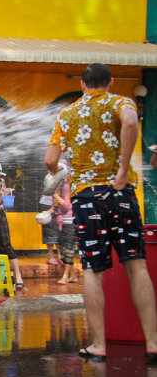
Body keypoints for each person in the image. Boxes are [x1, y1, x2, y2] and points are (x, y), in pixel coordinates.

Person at [45, 63, 157, 361]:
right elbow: (131, 123)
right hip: (121, 193)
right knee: (137, 265)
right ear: (110, 82)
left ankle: (99, 345)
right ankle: (153, 343)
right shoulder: (120, 102)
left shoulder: (67, 114)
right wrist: (122, 170)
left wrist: (57, 172)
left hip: (86, 198)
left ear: (82, 84)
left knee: (94, 271)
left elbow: (50, 159)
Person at [55, 161, 78, 284]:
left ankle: (65, 276)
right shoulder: (62, 185)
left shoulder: (69, 185)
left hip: (70, 219)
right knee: (63, 249)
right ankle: (73, 275)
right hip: (62, 220)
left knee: (68, 248)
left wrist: (54, 195)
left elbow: (66, 205)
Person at [38, 182, 61, 266]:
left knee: (60, 235)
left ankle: (60, 257)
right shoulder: (45, 194)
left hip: (59, 210)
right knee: (49, 235)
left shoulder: (60, 190)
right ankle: (51, 257)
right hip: (47, 211)